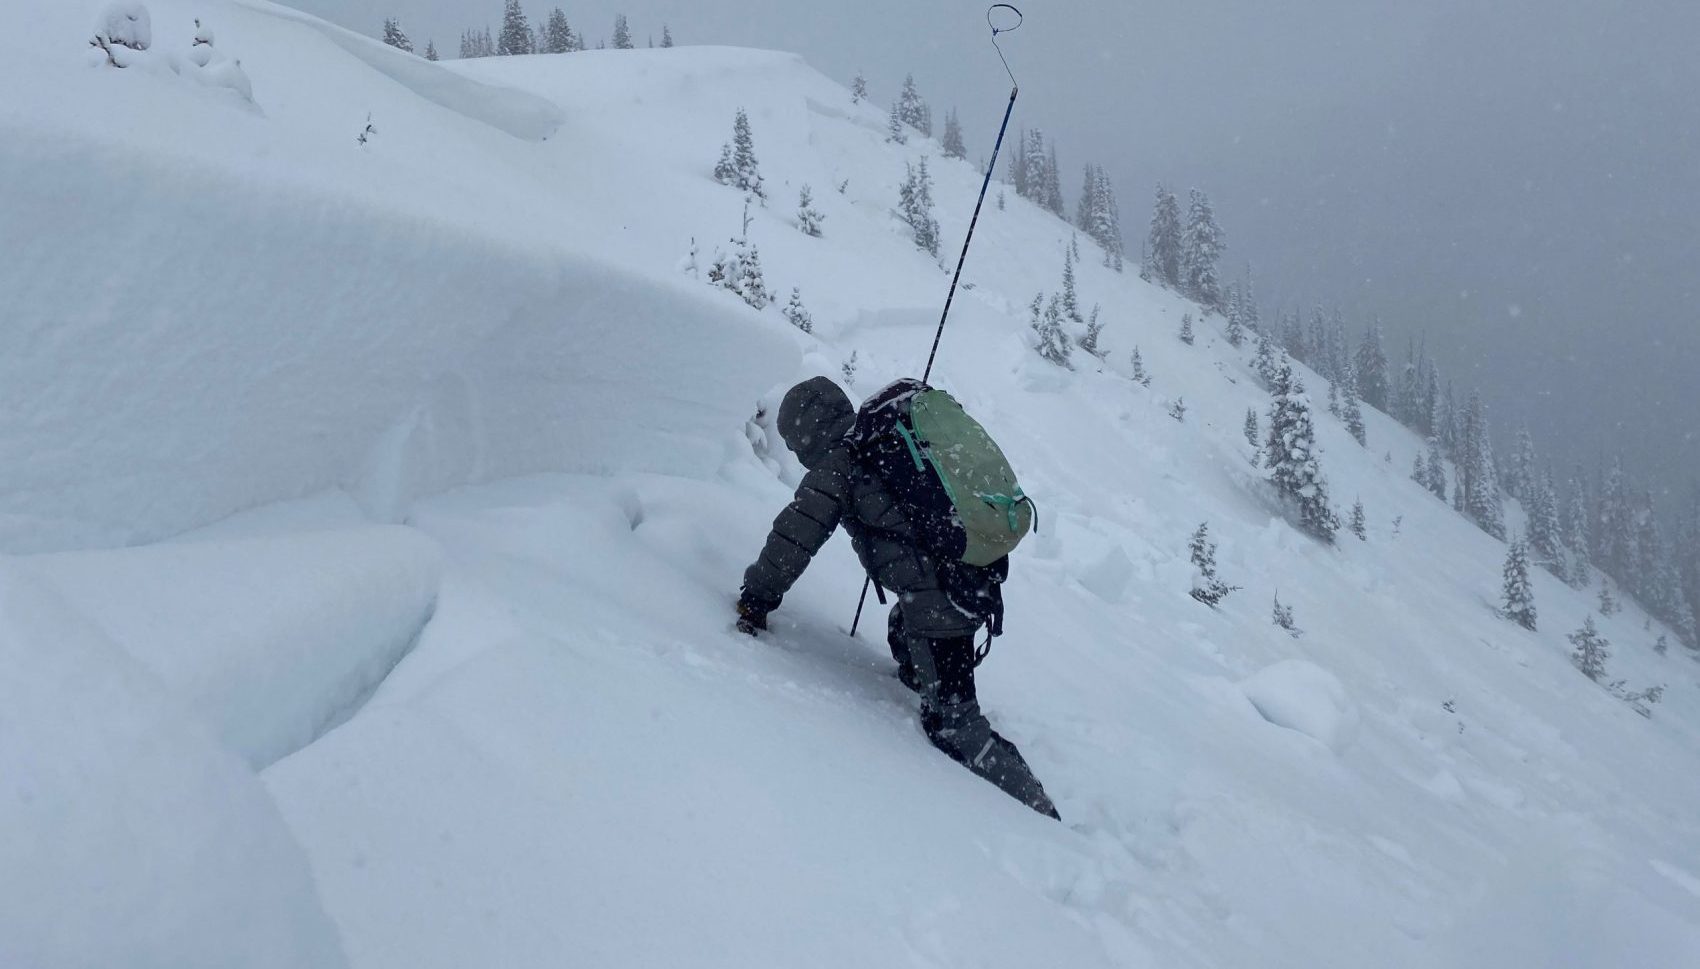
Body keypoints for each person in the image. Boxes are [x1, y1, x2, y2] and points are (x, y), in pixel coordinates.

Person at [735, 376, 1058, 819]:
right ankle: (921, 674)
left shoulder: (839, 463)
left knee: (956, 726)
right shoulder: (877, 441)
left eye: (794, 443)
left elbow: (795, 536)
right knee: (906, 628)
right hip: (969, 578)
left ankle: (1040, 814)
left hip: (944, 601)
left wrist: (756, 597)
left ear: (805, 433)